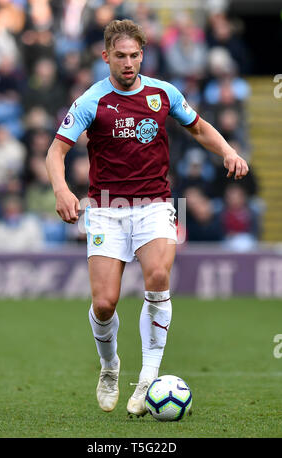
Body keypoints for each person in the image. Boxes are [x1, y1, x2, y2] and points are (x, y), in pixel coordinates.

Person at [45, 19, 249, 417]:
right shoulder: (91, 101)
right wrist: (62, 191)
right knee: (104, 304)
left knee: (158, 277)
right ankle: (109, 368)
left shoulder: (163, 92)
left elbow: (200, 127)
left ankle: (147, 377)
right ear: (105, 56)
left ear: (143, 55)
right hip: (106, 208)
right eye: (120, 56)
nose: (128, 63)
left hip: (155, 205)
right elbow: (55, 152)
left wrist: (227, 151)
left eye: (134, 55)